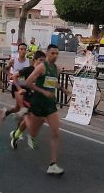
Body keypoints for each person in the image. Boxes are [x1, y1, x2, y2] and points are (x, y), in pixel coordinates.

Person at [23, 44, 69, 175]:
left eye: (56, 53)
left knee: (55, 133)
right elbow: (28, 82)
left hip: (50, 104)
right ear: (47, 53)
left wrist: (63, 90)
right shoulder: (41, 67)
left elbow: (53, 82)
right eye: (52, 53)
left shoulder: (57, 69)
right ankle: (27, 120)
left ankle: (53, 164)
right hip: (38, 103)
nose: (55, 56)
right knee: (33, 131)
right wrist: (43, 92)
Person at [8, 50, 47, 149]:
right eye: (40, 60)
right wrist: (19, 88)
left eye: (44, 61)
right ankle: (31, 134)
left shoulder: (44, 72)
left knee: (26, 123)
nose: (42, 63)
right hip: (28, 98)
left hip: (38, 99)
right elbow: (14, 76)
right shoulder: (28, 69)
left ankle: (15, 135)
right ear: (34, 60)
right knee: (32, 118)